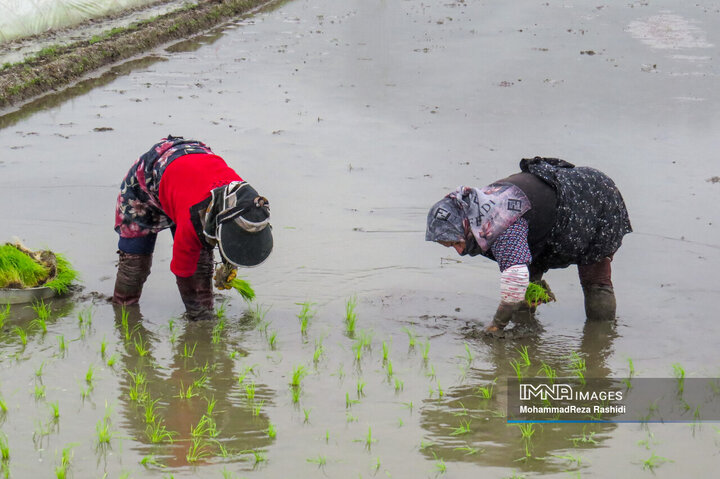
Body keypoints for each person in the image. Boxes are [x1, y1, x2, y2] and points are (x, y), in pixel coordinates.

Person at [426, 157, 631, 333]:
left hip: (593, 199)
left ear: (465, 225)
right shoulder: (477, 206)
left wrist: (495, 327)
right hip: (548, 210)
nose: (460, 252)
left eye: (457, 242)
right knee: (528, 276)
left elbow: (515, 281)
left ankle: (600, 341)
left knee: (595, 279)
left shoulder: (500, 223)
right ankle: (526, 333)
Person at [112, 135, 273, 320]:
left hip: (189, 178)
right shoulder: (194, 218)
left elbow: (237, 234)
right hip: (149, 178)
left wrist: (229, 266)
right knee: (135, 265)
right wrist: (197, 314)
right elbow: (183, 269)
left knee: (201, 265)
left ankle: (204, 312)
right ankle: (123, 313)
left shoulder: (246, 201)